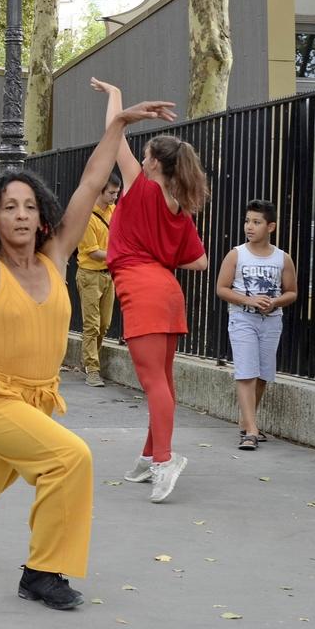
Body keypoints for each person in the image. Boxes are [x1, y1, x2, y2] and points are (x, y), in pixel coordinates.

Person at [0, 71, 175, 611]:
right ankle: (43, 572)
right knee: (70, 458)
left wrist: (116, 124)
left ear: (41, 214)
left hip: (37, 397)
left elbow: (92, 182)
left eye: (29, 205)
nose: (21, 214)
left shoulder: (56, 256)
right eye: (9, 207)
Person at [98, 79, 211, 503]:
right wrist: (161, 259)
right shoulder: (179, 207)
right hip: (164, 288)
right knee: (162, 380)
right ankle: (151, 456)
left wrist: (115, 96)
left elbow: (115, 131)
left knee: (152, 382)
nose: (140, 159)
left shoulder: (137, 183)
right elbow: (200, 262)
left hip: (140, 287)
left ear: (154, 165)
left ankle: (165, 459)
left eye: (145, 156)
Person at [214, 199, 297, 450]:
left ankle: (246, 420)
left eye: (256, 222)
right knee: (246, 372)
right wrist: (248, 299)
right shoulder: (236, 254)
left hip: (271, 322)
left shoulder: (283, 258)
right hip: (242, 319)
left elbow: (292, 292)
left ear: (270, 227)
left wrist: (275, 302)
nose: (249, 226)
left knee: (262, 374)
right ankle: (251, 430)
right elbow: (221, 288)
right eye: (247, 221)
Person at [75, 173, 121, 387]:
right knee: (92, 324)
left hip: (108, 274)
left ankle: (88, 359)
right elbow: (92, 252)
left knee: (104, 324)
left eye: (116, 192)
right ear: (101, 191)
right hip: (90, 274)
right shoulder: (87, 217)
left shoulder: (114, 211)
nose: (114, 196)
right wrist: (119, 254)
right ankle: (92, 369)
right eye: (111, 192)